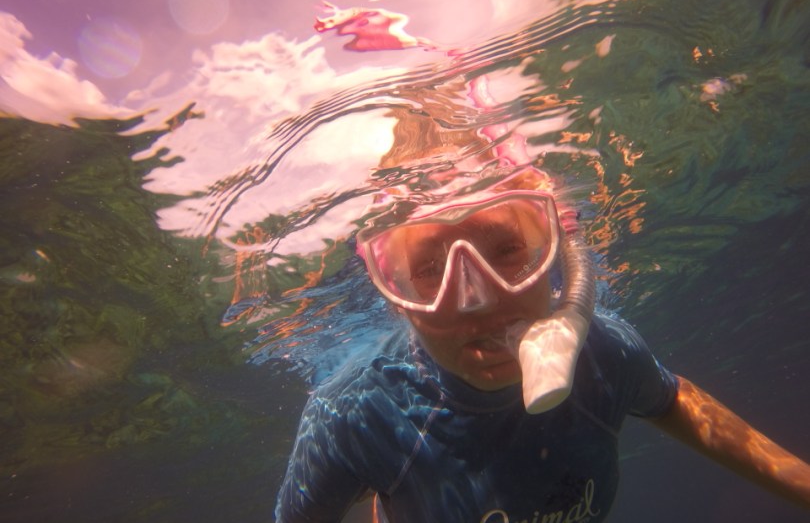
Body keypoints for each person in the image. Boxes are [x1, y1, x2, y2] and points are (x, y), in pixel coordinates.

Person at [274, 154, 810, 522]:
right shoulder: (356, 413)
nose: (477, 299)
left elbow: (672, 399)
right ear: (395, 296)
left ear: (551, 253)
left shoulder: (602, 351)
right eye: (430, 270)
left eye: (507, 250)